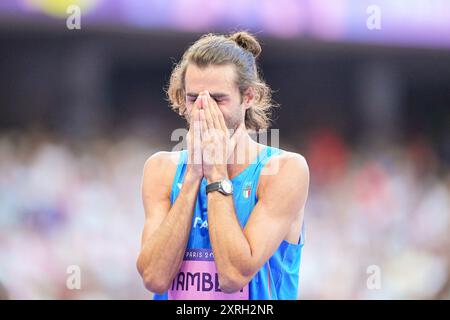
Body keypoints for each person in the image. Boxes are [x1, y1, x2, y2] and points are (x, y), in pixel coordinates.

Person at [136, 31, 309, 300]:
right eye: (194, 99)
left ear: (248, 97)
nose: (204, 111)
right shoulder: (161, 169)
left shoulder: (284, 170)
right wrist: (194, 175)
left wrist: (215, 172)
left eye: (218, 99)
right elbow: (154, 277)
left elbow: (233, 276)